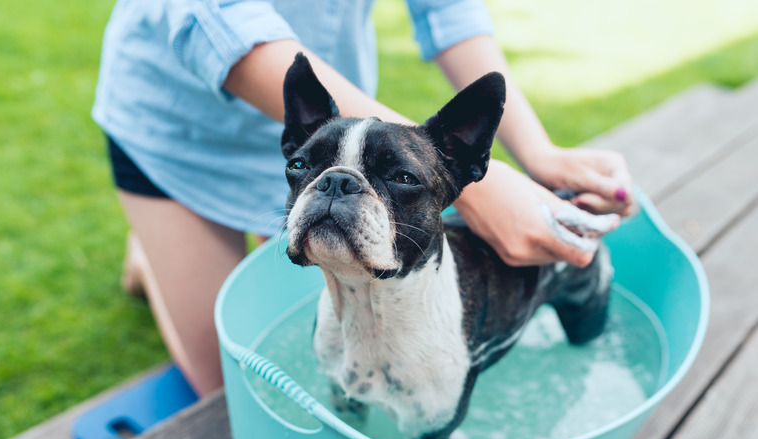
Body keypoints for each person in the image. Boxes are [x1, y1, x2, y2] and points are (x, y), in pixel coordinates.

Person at [93, 0, 635, 397]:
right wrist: (475, 187)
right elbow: (217, 20)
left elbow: (447, 7)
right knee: (230, 393)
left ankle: (164, 254)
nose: (340, 187)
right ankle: (155, 249)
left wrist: (536, 150)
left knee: (333, 270)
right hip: (180, 130)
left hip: (331, 126)